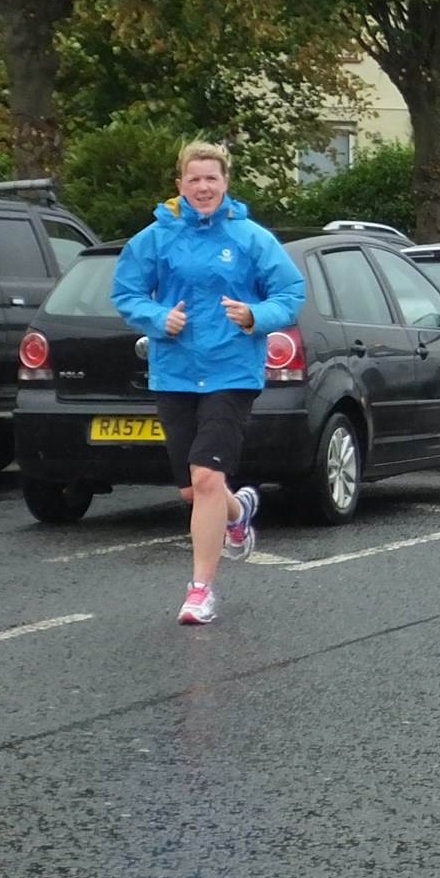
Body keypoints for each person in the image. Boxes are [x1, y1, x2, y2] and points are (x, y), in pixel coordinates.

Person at [112, 140, 305, 625]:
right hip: (175, 373)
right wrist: (158, 318)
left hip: (231, 370)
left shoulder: (250, 238)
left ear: (225, 184)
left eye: (211, 179)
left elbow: (290, 290)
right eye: (194, 179)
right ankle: (238, 513)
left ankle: (201, 591)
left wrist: (256, 315)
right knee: (193, 492)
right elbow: (126, 291)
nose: (203, 187)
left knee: (206, 477)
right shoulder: (156, 238)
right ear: (180, 185)